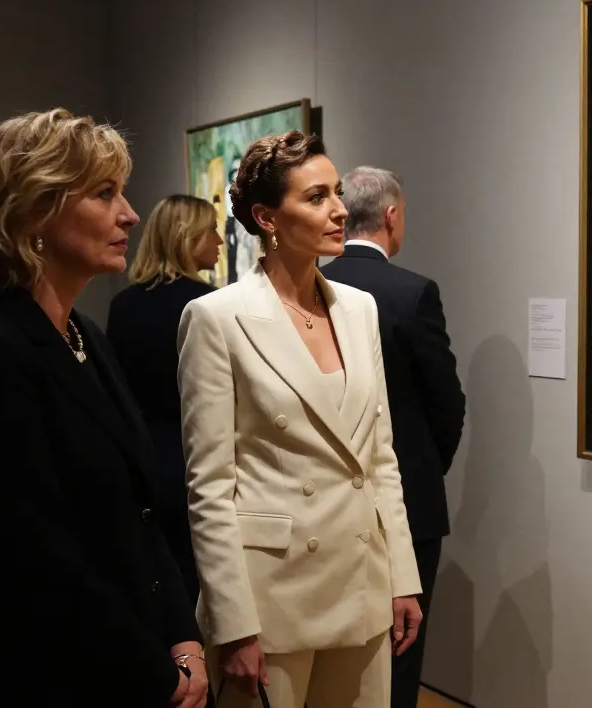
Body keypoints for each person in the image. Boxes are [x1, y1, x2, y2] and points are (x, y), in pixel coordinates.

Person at [0, 108, 207, 708]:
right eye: (105, 194)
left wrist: (183, 635)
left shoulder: (85, 335)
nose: (130, 214)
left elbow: (139, 511)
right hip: (32, 676)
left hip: (117, 660)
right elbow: (29, 554)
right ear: (34, 211)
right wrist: (155, 670)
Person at [178, 131, 423, 708]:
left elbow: (380, 456)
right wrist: (231, 620)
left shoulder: (359, 309)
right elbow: (210, 486)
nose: (339, 210)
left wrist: (403, 576)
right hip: (271, 600)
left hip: (362, 584)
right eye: (316, 197)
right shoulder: (217, 318)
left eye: (337, 193)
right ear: (267, 217)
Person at [320, 167, 465, 708]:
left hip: (328, 504)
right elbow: (446, 403)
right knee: (401, 652)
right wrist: (425, 467)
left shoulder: (311, 287)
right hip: (408, 496)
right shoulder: (412, 293)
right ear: (391, 216)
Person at [107, 194, 223, 603]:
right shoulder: (209, 306)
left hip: (143, 458)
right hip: (198, 457)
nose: (220, 241)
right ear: (188, 237)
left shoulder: (124, 304)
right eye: (212, 230)